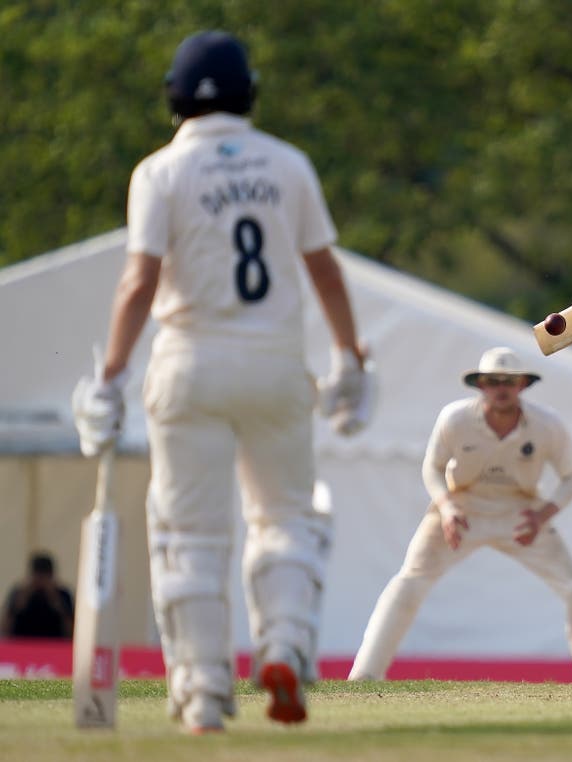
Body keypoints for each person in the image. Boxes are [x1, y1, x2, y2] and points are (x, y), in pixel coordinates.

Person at [70, 30, 372, 733]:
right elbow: (324, 269)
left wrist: (109, 377)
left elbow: (139, 281)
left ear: (175, 97)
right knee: (285, 517)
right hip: (274, 366)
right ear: (250, 92)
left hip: (189, 366)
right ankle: (286, 645)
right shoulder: (288, 164)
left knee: (190, 534)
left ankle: (204, 691)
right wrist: (351, 359)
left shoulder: (159, 173)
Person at [349, 347, 572, 685]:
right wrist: (446, 507)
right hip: (462, 511)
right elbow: (432, 467)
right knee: (409, 582)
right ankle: (365, 676)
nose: (501, 388)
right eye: (492, 381)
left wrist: (542, 516)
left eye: (509, 381)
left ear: (522, 385)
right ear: (480, 384)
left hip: (521, 515)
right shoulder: (455, 419)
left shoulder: (547, 425)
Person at [2, 553, 74, 639]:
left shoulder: (63, 595)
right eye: (37, 575)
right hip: (21, 644)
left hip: (54, 645)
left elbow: (71, 632)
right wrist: (19, 603)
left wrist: (56, 602)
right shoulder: (19, 593)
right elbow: (4, 629)